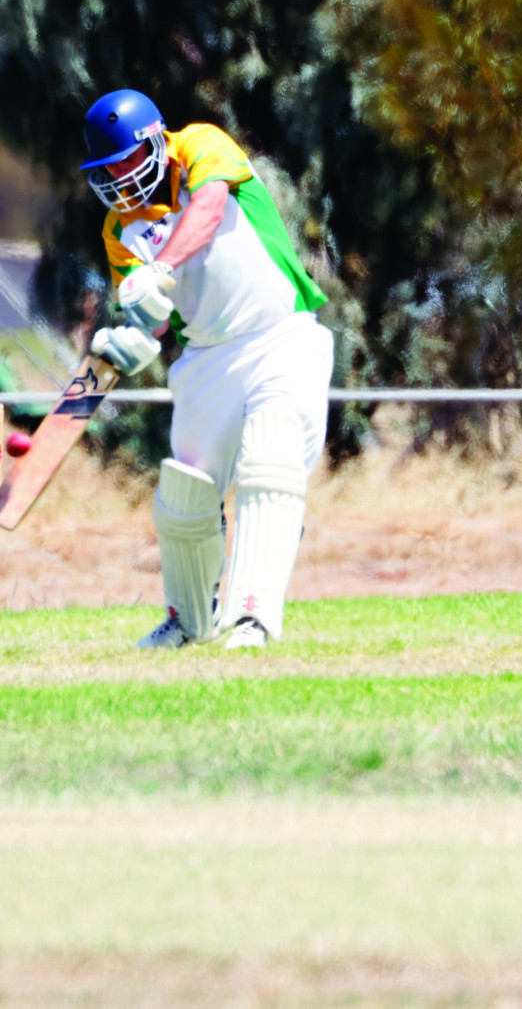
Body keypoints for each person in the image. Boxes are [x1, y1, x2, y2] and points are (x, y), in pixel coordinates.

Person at [79, 89, 333, 649]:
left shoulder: (199, 144)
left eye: (125, 159)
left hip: (280, 334)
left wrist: (160, 269)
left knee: (270, 461)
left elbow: (210, 207)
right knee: (184, 496)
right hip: (205, 359)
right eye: (106, 170)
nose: (119, 177)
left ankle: (251, 617)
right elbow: (156, 321)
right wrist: (133, 337)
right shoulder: (119, 230)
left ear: (154, 143)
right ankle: (188, 623)